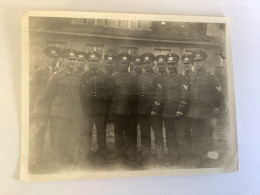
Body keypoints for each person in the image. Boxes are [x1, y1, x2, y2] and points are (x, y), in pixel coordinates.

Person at [43, 49, 85, 167]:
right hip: (60, 112)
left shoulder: (78, 76)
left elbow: (81, 94)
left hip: (75, 112)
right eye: (70, 59)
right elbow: (48, 95)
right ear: (63, 61)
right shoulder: (56, 76)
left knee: (74, 135)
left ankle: (71, 155)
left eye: (75, 60)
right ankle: (58, 158)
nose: (73, 62)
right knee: (59, 136)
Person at [188, 50, 223, 166]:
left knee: (207, 135)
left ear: (204, 62)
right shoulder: (191, 76)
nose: (197, 63)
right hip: (193, 112)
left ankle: (208, 159)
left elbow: (219, 93)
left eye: (200, 61)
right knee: (196, 135)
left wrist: (214, 107)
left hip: (206, 112)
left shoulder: (211, 76)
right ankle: (199, 158)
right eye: (195, 61)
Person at [29, 46, 60, 169]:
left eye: (54, 57)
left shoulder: (59, 71)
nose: (52, 59)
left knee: (54, 132)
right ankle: (37, 158)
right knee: (40, 132)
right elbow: (32, 91)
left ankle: (54, 156)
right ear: (46, 57)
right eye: (50, 57)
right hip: (41, 107)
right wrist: (31, 108)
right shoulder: (39, 71)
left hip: (54, 108)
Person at [81, 51, 110, 162]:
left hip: (101, 110)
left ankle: (102, 153)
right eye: (91, 61)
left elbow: (108, 93)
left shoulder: (104, 76)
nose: (94, 63)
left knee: (101, 132)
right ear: (88, 62)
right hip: (88, 110)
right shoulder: (83, 76)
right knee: (87, 131)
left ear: (99, 62)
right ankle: (86, 154)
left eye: (96, 61)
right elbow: (81, 93)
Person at [161, 53, 190, 165]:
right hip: (167, 113)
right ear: (167, 65)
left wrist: (180, 110)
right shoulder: (164, 79)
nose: (171, 66)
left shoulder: (182, 78)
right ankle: (173, 157)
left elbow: (185, 95)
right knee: (170, 136)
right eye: (169, 64)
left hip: (179, 113)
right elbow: (161, 95)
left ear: (177, 64)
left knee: (180, 135)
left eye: (173, 64)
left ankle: (183, 159)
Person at [109, 53, 137, 163]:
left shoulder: (133, 77)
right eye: (122, 63)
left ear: (129, 64)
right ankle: (118, 155)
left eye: (126, 63)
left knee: (130, 133)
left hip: (130, 112)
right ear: (119, 64)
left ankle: (130, 155)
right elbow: (110, 95)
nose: (124, 65)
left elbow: (136, 95)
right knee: (118, 133)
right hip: (118, 111)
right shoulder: (114, 77)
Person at [137, 53, 164, 164]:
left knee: (157, 133)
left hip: (154, 111)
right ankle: (145, 154)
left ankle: (160, 155)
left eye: (148, 63)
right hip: (143, 111)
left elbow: (160, 95)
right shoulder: (140, 78)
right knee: (144, 133)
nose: (146, 65)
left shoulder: (158, 77)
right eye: (144, 63)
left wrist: (155, 109)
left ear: (153, 64)